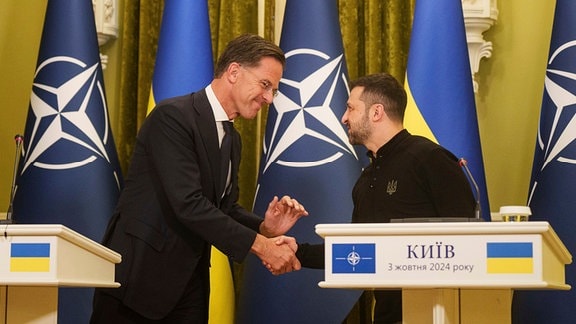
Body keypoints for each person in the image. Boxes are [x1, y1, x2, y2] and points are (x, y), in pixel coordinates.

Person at [90, 34, 308, 323]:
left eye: (274, 91)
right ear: (233, 72)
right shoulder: (172, 118)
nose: (269, 98)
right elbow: (188, 203)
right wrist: (261, 245)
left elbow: (223, 208)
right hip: (138, 284)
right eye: (265, 85)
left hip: (189, 286)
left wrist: (265, 228)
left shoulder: (233, 139)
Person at [295, 73, 476, 324]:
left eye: (350, 108)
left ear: (376, 112)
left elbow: (469, 240)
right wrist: (296, 252)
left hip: (439, 313)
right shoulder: (367, 177)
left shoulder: (430, 158)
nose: (344, 117)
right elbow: (356, 252)